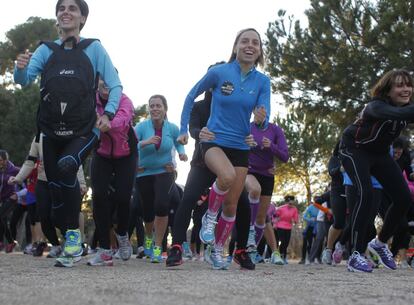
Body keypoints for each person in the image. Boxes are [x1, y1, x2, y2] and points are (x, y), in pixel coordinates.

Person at [14, 0, 121, 267]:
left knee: (67, 167)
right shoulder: (46, 50)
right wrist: (20, 67)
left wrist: (107, 114)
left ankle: (73, 241)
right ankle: (71, 239)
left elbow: (116, 84)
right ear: (56, 17)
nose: (66, 12)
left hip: (83, 130)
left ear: (82, 18)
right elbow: (23, 80)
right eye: (61, 8)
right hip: (49, 133)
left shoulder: (93, 48)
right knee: (57, 190)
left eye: (72, 8)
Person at [178, 28, 271, 269]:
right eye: (244, 41)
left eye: (255, 43)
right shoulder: (219, 73)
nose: (250, 45)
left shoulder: (262, 81)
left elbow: (264, 115)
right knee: (226, 176)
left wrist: (261, 120)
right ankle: (210, 216)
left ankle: (218, 250)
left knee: (231, 204)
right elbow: (190, 96)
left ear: (260, 50)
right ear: (235, 46)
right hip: (215, 140)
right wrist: (183, 130)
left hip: (240, 145)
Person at [339, 69, 414, 272]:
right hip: (353, 148)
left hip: (379, 154)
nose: (405, 89)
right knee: (366, 193)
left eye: (408, 85)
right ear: (388, 90)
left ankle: (379, 243)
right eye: (399, 85)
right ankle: (355, 254)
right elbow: (399, 113)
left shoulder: (407, 108)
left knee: (404, 198)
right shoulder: (376, 106)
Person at [87, 77, 137, 266]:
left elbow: (124, 118)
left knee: (123, 198)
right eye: (102, 81)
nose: (105, 85)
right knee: (99, 196)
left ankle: (123, 235)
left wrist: (110, 122)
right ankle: (105, 249)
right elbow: (85, 116)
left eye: (109, 81)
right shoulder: (91, 100)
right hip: (102, 154)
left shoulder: (124, 100)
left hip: (126, 154)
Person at [135, 94, 187, 263]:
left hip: (165, 171)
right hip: (143, 171)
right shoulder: (141, 127)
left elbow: (178, 141)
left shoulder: (171, 127)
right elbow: (128, 144)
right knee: (147, 210)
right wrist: (145, 142)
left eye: (158, 106)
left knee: (162, 205)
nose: (155, 109)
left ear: (165, 109)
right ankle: (148, 237)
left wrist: (181, 153)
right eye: (152, 106)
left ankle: (158, 246)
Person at [244, 118, 289, 265]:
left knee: (262, 218)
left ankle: (253, 251)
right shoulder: (246, 126)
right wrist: (244, 144)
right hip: (248, 171)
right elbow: (233, 147)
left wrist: (271, 146)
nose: (260, 112)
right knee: (254, 190)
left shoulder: (275, 130)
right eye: (257, 109)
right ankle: (248, 233)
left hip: (267, 175)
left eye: (263, 109)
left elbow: (284, 156)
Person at [0, 150, 20, 252]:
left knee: (1, 216)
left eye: (0, 160)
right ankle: (9, 242)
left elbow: (25, 177)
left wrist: (18, 193)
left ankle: (5, 242)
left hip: (11, 198)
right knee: (2, 219)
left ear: (5, 160)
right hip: (2, 198)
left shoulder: (13, 169)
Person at [272, 195, 299, 264]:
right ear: (286, 202)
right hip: (280, 226)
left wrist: (295, 222)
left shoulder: (294, 209)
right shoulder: (281, 208)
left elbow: (295, 218)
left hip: (288, 227)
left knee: (286, 242)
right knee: (282, 241)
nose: (291, 205)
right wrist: (274, 224)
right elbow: (274, 216)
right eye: (289, 203)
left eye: (292, 203)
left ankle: (283, 257)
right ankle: (280, 256)